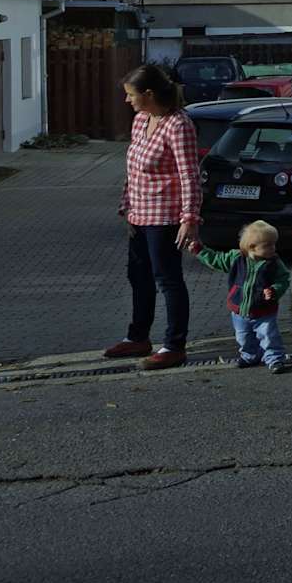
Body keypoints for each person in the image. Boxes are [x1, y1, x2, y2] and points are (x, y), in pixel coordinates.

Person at [103, 63, 200, 371]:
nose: (126, 100)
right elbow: (132, 170)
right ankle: (138, 337)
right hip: (138, 214)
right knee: (138, 276)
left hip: (165, 216)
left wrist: (189, 218)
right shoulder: (141, 120)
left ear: (148, 94)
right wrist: (126, 207)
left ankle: (174, 345)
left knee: (168, 279)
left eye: (130, 94)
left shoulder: (178, 124)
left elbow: (189, 174)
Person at [187, 220, 292, 372]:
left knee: (269, 336)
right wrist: (199, 250)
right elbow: (217, 260)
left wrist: (275, 290)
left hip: (264, 310)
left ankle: (275, 359)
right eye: (268, 245)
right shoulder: (236, 258)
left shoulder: (274, 263)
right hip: (239, 310)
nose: (273, 248)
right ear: (252, 247)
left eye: (274, 244)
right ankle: (250, 355)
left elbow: (283, 279)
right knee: (243, 337)